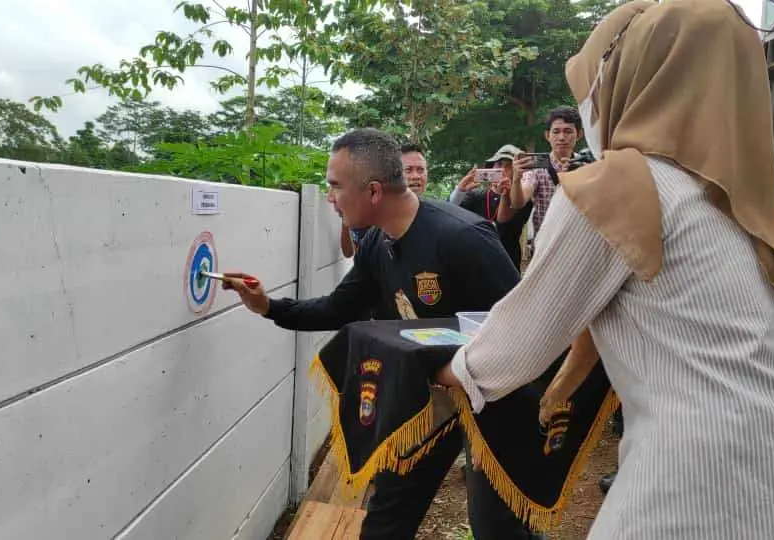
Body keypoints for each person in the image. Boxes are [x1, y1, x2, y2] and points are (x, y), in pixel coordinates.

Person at [434, 1, 774, 537]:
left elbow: (510, 352)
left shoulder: (616, 186)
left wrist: (427, 367)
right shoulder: (763, 193)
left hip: (706, 477)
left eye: (594, 84)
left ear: (635, 77)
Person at [222, 128, 540, 540]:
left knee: (500, 529)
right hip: (425, 400)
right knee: (387, 516)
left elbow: (524, 329)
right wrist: (268, 306)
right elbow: (339, 308)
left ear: (373, 191)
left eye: (335, 185)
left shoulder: (462, 237)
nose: (330, 197)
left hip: (493, 403)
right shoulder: (377, 242)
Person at [450, 144, 534, 268]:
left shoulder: (521, 200)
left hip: (507, 264)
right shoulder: (476, 196)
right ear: (491, 167)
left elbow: (504, 225)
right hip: (476, 263)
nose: (503, 170)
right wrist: (460, 190)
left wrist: (505, 194)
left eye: (509, 166)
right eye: (499, 165)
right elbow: (450, 213)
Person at [508, 107, 585, 240]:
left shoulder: (586, 166)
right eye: (556, 132)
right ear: (547, 135)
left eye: (568, 131)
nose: (561, 137)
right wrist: (516, 179)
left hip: (577, 240)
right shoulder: (537, 168)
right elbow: (518, 203)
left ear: (578, 135)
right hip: (545, 242)